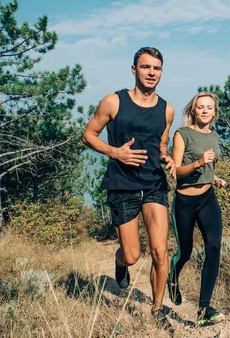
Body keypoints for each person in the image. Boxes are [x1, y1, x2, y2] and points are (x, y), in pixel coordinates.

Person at [82, 47, 176, 324]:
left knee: (160, 252)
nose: (151, 72)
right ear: (134, 70)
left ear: (161, 72)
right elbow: (89, 134)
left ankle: (158, 310)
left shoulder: (166, 109)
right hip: (122, 185)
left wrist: (167, 158)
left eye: (156, 68)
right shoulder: (114, 102)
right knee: (133, 255)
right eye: (145, 67)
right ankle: (120, 261)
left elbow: (160, 145)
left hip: (155, 184)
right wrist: (115, 152)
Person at [167, 92, 227, 326]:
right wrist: (199, 163)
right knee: (185, 252)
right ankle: (173, 277)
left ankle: (204, 309)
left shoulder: (213, 136)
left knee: (214, 247)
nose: (204, 110)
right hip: (184, 201)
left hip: (207, 199)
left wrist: (214, 178)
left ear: (214, 112)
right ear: (192, 110)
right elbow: (176, 173)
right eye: (200, 107)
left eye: (208, 108)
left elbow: (208, 168)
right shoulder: (183, 134)